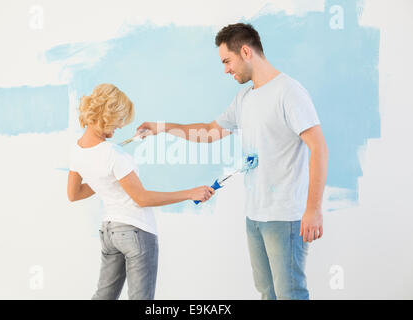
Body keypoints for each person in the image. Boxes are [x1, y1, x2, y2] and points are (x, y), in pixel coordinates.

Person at [136, 23, 328, 300]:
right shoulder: (245, 98)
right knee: (267, 293)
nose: (226, 69)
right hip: (255, 216)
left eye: (227, 61)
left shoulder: (289, 92)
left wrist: (313, 209)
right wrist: (163, 127)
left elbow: (319, 148)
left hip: (285, 217)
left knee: (290, 294)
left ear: (246, 51)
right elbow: (211, 132)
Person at [66, 83, 215, 300]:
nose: (118, 127)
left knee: (103, 296)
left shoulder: (77, 150)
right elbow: (142, 199)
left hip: (109, 232)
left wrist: (105, 177)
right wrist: (190, 193)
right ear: (108, 114)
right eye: (118, 121)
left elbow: (74, 194)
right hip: (135, 230)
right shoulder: (113, 154)